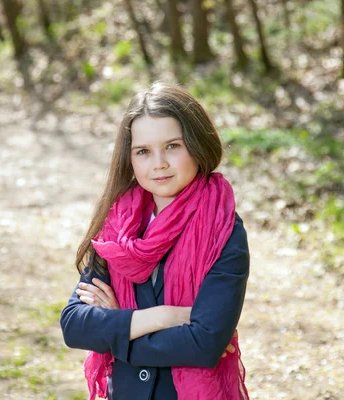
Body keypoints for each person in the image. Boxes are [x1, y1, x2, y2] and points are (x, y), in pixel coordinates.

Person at [59, 82, 250, 400]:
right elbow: (75, 326)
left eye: (173, 146)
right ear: (130, 158)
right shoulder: (118, 225)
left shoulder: (223, 228)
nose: (158, 162)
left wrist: (115, 328)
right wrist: (164, 316)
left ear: (197, 145)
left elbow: (205, 345)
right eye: (143, 151)